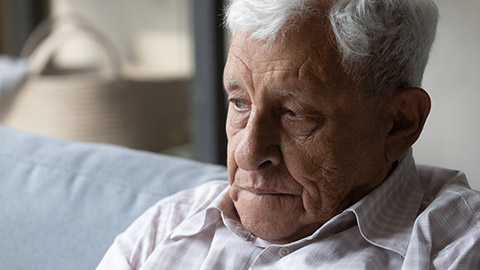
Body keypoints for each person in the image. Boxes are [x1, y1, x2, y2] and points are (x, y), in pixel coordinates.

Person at [97, 0, 480, 269]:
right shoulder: (168, 225)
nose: (247, 152)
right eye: (239, 103)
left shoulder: (455, 249)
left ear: (400, 123)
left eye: (294, 113)